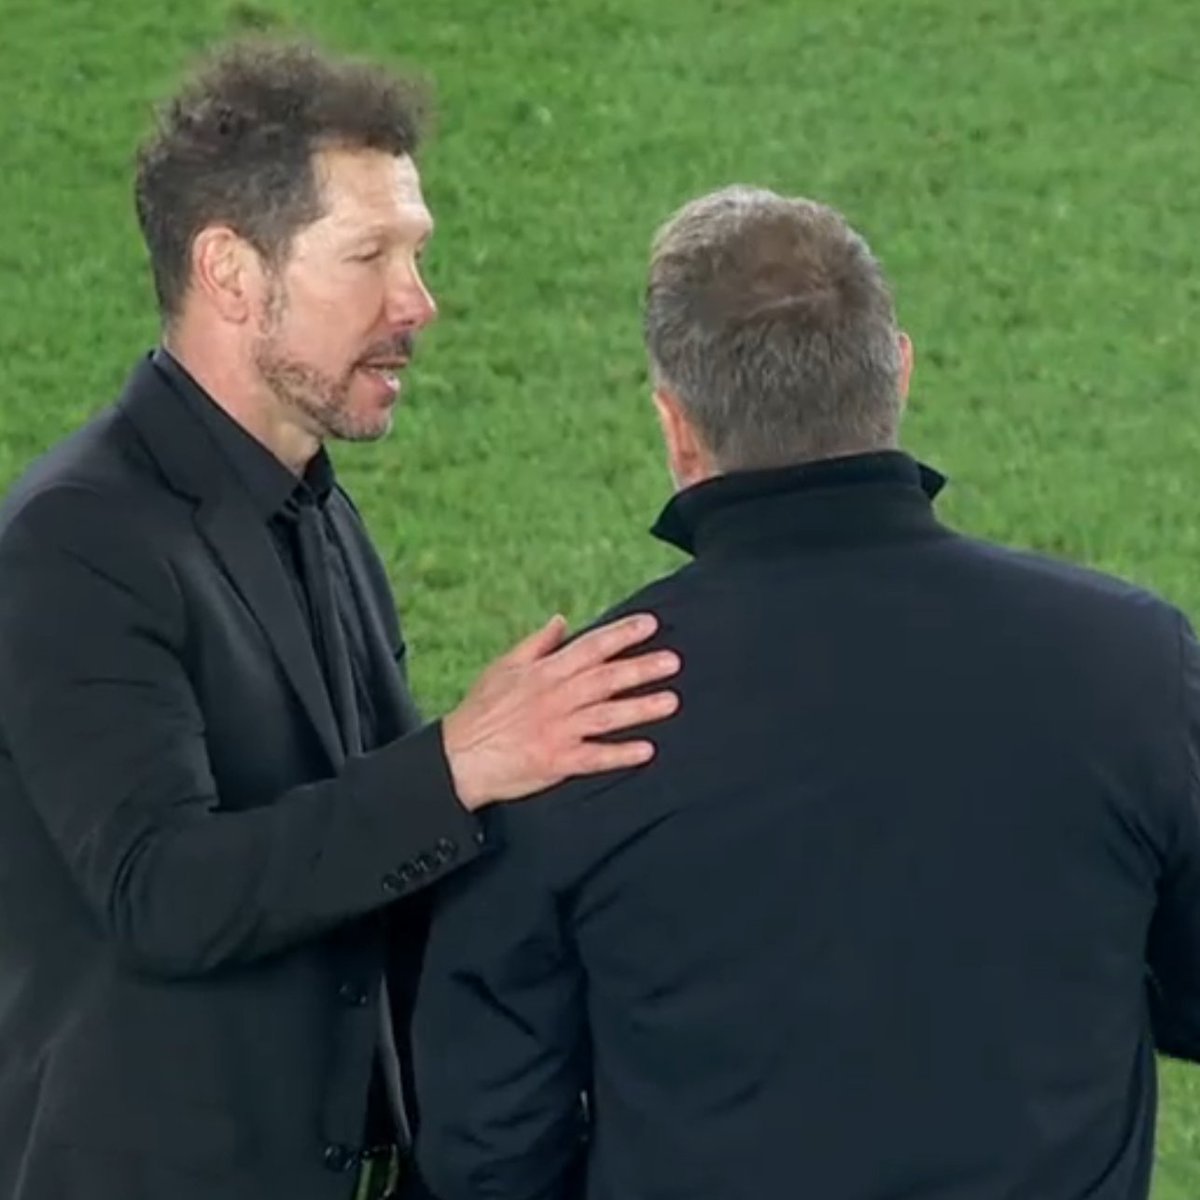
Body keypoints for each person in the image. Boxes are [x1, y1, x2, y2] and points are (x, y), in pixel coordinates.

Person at [412, 185, 1200, 1200]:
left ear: (676, 426)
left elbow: (487, 1148)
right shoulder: (1131, 659)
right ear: (899, 372)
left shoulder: (572, 720)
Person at [0, 39, 682, 1200]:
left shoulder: (313, 510)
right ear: (230, 271)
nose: (418, 301)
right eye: (370, 255)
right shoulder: (78, 542)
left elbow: (379, 858)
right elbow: (163, 892)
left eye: (415, 252)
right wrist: (458, 763)